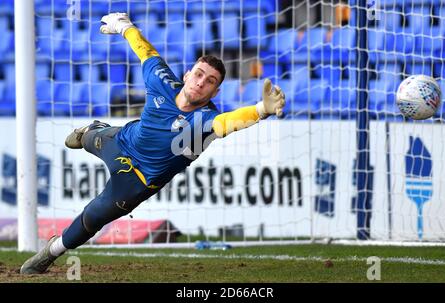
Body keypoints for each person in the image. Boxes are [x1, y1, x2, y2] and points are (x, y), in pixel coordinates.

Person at [20, 12, 285, 274]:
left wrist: (261, 109)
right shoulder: (161, 81)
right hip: (120, 141)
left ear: (215, 92)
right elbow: (146, 52)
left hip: (135, 181)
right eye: (199, 74)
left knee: (91, 218)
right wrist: (124, 26)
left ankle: (51, 252)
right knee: (87, 139)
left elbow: (230, 121)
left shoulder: (205, 121)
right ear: (187, 74)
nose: (201, 82)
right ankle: (92, 130)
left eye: (210, 82)